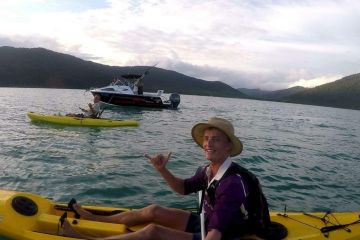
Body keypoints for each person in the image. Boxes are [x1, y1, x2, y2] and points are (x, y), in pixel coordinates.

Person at [59, 117, 269, 240]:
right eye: (206, 139)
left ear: (228, 147)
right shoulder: (208, 170)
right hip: (206, 222)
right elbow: (182, 188)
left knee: (153, 231)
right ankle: (95, 219)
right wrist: (162, 170)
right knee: (152, 211)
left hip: (221, 235)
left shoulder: (232, 183)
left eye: (215, 140)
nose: (208, 144)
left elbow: (216, 233)